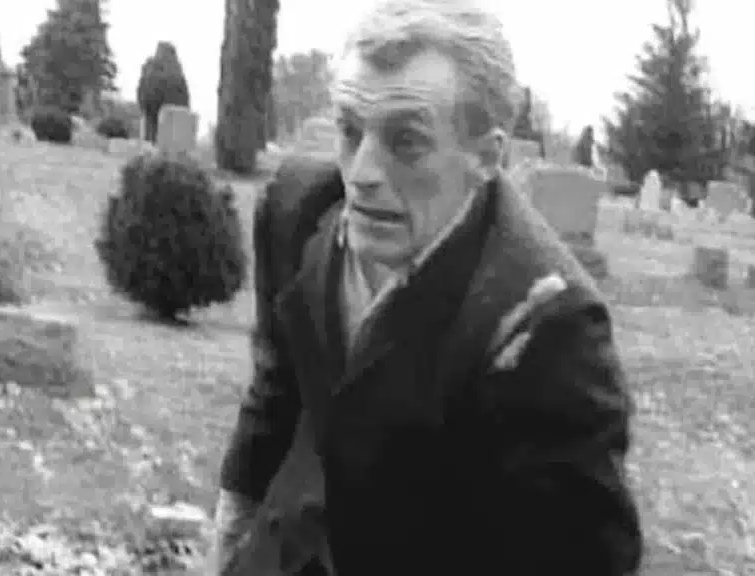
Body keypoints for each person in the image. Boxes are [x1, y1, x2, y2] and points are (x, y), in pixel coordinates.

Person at [207, 0, 643, 574]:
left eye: (406, 141)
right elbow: (278, 388)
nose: (362, 173)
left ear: (485, 156)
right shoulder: (297, 210)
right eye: (350, 130)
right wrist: (233, 523)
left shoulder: (549, 327)